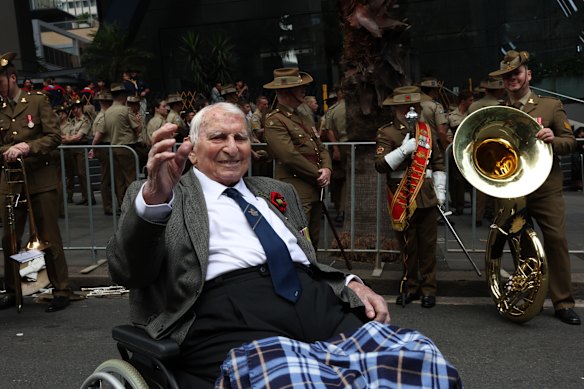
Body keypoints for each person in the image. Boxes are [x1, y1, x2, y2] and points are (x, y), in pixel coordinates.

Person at [107, 102, 461, 387]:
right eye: (218, 138)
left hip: (313, 302)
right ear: (192, 151)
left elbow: (306, 261)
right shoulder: (163, 194)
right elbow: (129, 271)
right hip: (228, 313)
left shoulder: (277, 192)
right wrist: (155, 201)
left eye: (240, 138)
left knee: (421, 360)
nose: (232, 148)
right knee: (288, 379)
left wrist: (350, 282)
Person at [489, 49, 580, 325]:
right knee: (521, 246)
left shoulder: (550, 106)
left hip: (545, 188)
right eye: (506, 76)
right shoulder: (497, 110)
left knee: (556, 242)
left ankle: (563, 301)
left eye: (516, 73)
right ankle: (531, 298)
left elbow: (570, 142)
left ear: (528, 74)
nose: (511, 79)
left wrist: (554, 138)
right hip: (513, 188)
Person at [0, 52, 71, 312]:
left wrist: (27, 146)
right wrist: (8, 150)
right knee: (10, 237)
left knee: (47, 235)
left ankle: (61, 289)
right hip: (12, 181)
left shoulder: (37, 102)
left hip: (40, 179)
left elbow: (54, 137)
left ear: (12, 78)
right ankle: (13, 290)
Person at [374, 86, 446, 308]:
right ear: (396, 107)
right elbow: (380, 165)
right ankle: (410, 287)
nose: (410, 109)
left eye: (414, 105)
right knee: (408, 246)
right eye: (406, 105)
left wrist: (441, 191)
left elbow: (438, 163)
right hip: (402, 194)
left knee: (428, 246)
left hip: (426, 195)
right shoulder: (386, 133)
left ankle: (428, 289)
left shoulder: (426, 131)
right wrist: (404, 150)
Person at [263, 67, 332, 249]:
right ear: (286, 91)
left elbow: (320, 147)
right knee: (299, 240)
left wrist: (327, 169)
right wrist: (318, 173)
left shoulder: (302, 116)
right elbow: (288, 156)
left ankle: (314, 275)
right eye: (298, 87)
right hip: (295, 188)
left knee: (314, 239)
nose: (303, 90)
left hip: (313, 187)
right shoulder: (275, 120)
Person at [467, 77, 506, 223]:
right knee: (497, 181)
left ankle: (477, 216)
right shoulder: (501, 105)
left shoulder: (473, 106)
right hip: (496, 147)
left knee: (479, 183)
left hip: (477, 146)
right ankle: (498, 216)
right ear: (500, 91)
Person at [105, 83, 140, 210]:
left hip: (113, 147)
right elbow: (137, 128)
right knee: (130, 177)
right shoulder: (126, 110)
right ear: (123, 95)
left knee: (118, 179)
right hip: (127, 147)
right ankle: (133, 205)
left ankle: (122, 204)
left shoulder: (107, 111)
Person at [322, 86, 349, 225]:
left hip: (339, 146)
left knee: (339, 180)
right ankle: (342, 210)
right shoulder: (353, 108)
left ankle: (340, 209)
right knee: (344, 180)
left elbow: (329, 130)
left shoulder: (333, 110)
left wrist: (336, 148)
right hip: (348, 146)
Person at [61, 99, 95, 205]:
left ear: (80, 108)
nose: (73, 111)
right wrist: (68, 138)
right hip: (72, 148)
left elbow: (78, 137)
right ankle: (85, 197)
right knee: (74, 173)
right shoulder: (73, 121)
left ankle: (89, 197)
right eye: (72, 109)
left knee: (82, 173)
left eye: (75, 108)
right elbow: (67, 135)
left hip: (80, 148)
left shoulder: (85, 120)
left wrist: (67, 139)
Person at [446, 89, 473, 218]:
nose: (472, 102)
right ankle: (458, 204)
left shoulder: (472, 114)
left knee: (471, 178)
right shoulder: (452, 116)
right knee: (456, 179)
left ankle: (474, 205)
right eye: (470, 100)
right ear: (463, 101)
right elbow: (447, 133)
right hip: (456, 150)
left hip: (470, 151)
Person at [88, 91, 114, 215]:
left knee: (107, 176)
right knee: (106, 177)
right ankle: (108, 206)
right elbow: (99, 135)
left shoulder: (101, 114)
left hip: (103, 146)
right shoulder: (104, 116)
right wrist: (93, 148)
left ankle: (109, 204)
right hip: (104, 146)